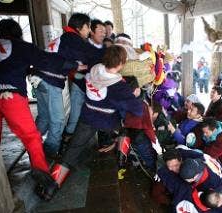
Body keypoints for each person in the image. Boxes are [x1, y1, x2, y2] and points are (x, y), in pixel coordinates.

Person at [40, 45, 144, 200]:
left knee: (71, 152)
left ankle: (49, 190)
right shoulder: (119, 86)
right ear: (122, 63)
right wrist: (135, 94)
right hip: (108, 122)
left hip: (87, 117)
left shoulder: (94, 69)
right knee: (125, 131)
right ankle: (122, 162)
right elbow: (138, 110)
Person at [0, 18, 84, 200]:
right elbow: (47, 61)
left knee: (43, 119)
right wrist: (75, 65)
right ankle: (44, 178)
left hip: (9, 90)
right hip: (10, 95)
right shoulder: (21, 46)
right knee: (32, 138)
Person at [34, 13, 92, 158]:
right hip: (50, 79)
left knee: (44, 118)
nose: (89, 31)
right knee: (58, 119)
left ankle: (32, 144)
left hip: (38, 78)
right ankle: (51, 150)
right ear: (80, 27)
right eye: (88, 27)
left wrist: (78, 67)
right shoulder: (73, 38)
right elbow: (90, 55)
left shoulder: (64, 38)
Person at [64, 19, 107, 143]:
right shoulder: (82, 45)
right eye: (100, 31)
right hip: (80, 86)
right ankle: (65, 143)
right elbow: (75, 65)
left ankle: (96, 144)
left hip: (95, 89)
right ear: (92, 32)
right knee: (75, 116)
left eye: (105, 31)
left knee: (97, 116)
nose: (103, 34)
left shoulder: (105, 49)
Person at [158, 165, 222, 213]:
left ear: (210, 189)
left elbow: (163, 171)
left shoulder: (185, 189)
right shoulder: (210, 211)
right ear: (210, 208)